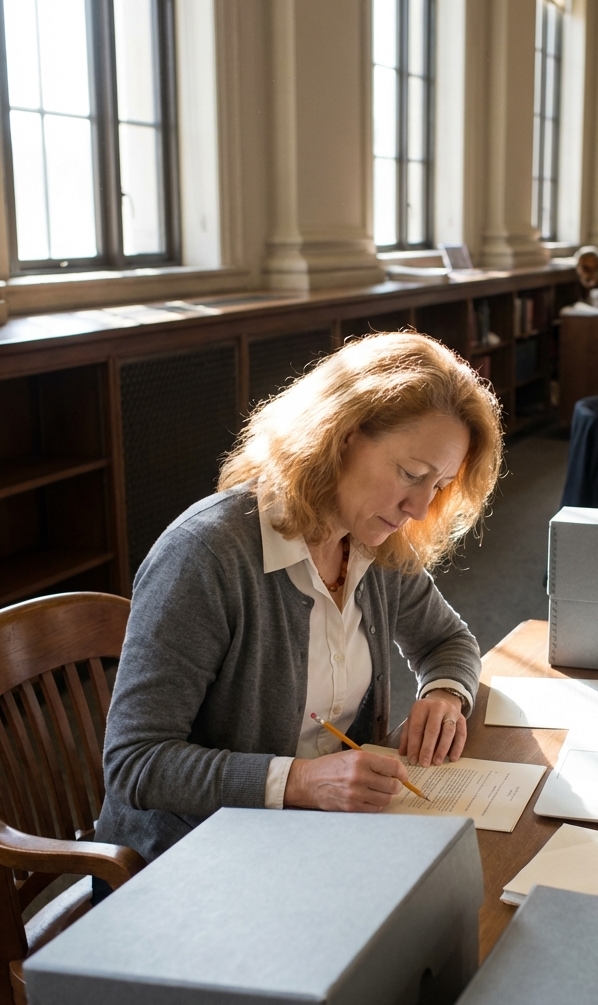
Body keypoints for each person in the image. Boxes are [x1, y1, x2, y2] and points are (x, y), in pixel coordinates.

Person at [94, 333, 503, 886]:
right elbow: (136, 762)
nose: (420, 507)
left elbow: (447, 642)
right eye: (410, 474)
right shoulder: (206, 556)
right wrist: (302, 782)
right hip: (191, 865)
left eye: (442, 485)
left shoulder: (375, 542)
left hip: (317, 841)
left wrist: (444, 693)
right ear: (342, 437)